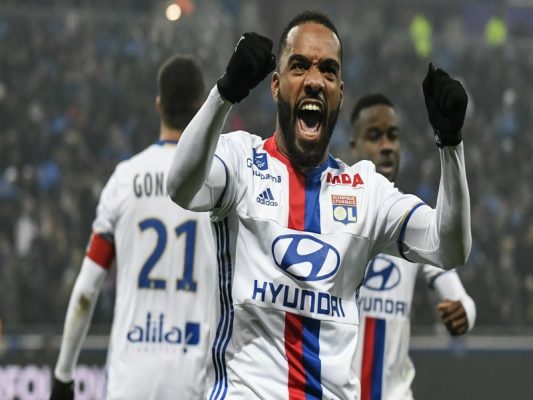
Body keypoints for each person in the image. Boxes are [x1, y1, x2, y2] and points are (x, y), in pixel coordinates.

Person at [166, 10, 471, 400]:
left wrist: (451, 143)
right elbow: (180, 187)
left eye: (328, 70)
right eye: (299, 66)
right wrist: (224, 93)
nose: (313, 80)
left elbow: (450, 249)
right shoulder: (240, 160)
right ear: (276, 85)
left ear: (339, 93)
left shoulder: (366, 190)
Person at [50, 55, 216, 400]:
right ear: (201, 108)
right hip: (193, 378)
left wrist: (64, 372)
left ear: (159, 105)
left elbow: (87, 290)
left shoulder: (124, 180)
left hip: (130, 378)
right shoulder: (217, 183)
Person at [350, 93, 476, 400]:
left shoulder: (409, 222)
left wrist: (464, 314)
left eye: (393, 136)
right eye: (374, 136)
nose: (387, 146)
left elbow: (460, 296)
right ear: (354, 146)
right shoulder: (332, 214)